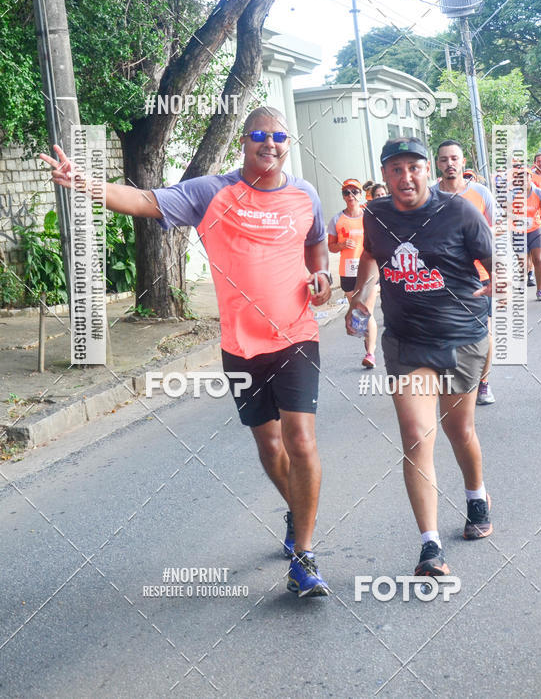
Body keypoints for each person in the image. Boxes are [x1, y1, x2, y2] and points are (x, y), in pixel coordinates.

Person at [41, 105, 332, 598]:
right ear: (244, 140)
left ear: (288, 143)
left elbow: (317, 248)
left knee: (301, 441)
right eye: (260, 134)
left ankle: (303, 556)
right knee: (270, 446)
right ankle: (296, 511)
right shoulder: (210, 192)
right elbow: (143, 201)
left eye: (279, 136)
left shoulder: (305, 194)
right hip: (240, 346)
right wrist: (84, 183)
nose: (270, 143)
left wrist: (322, 279)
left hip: (296, 336)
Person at [347, 137, 493, 579]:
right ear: (386, 175)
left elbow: (493, 258)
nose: (405, 177)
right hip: (407, 342)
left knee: (459, 428)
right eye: (396, 169)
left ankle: (476, 495)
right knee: (415, 436)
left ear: (427, 170)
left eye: (413, 168)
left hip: (461, 338)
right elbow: (371, 255)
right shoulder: (376, 214)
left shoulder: (459, 211)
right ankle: (430, 547)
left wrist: (496, 288)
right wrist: (364, 292)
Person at [433, 140, 497, 407]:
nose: (450, 163)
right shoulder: (428, 195)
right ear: (437, 163)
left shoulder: (481, 193)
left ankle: (482, 383)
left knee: (482, 331)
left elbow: (496, 234)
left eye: (455, 158)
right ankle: (446, 380)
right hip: (439, 278)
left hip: (479, 276)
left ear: (463, 162)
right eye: (444, 159)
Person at [328, 179, 378, 368]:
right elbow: (330, 246)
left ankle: (370, 353)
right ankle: (368, 344)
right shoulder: (337, 219)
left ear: (360, 194)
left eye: (354, 192)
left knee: (368, 311)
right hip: (348, 272)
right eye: (346, 193)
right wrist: (340, 245)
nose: (350, 196)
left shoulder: (369, 216)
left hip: (369, 271)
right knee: (358, 313)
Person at [513, 169, 541, 301]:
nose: (523, 179)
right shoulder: (512, 194)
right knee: (521, 262)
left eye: (525, 176)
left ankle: (539, 290)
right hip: (518, 231)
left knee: (537, 260)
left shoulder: (538, 192)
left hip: (535, 229)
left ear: (530, 177)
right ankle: (521, 283)